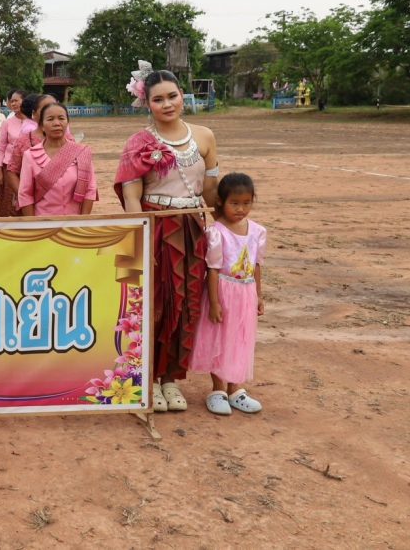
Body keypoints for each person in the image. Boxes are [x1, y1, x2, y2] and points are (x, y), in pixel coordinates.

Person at [114, 65, 219, 413]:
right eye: (158, 99)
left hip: (192, 231)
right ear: (146, 103)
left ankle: (171, 377)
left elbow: (210, 192)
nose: (167, 104)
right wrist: (141, 240)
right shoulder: (138, 143)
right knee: (156, 304)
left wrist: (228, 226)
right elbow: (131, 197)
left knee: (187, 302)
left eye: (172, 96)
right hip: (156, 228)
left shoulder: (205, 136)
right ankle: (148, 377)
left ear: (182, 96)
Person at [191, 173, 266, 416]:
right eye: (235, 203)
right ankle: (218, 390)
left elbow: (256, 266)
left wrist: (259, 295)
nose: (241, 209)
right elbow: (213, 269)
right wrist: (214, 303)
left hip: (246, 294)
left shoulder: (257, 232)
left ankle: (236, 389)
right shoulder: (216, 232)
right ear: (221, 202)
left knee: (240, 339)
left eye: (246, 203)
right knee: (220, 339)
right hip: (223, 292)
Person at [18, 102, 97, 217]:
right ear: (42, 126)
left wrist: (83, 220)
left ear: (67, 123)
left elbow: (90, 189)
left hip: (75, 222)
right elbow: (25, 194)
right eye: (50, 119)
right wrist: (33, 224)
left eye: (61, 118)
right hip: (44, 223)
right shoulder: (30, 156)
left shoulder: (82, 152)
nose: (56, 123)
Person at [5, 93, 60, 215]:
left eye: (55, 106)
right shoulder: (24, 141)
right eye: (45, 108)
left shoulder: (69, 142)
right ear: (34, 114)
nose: (51, 111)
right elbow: (12, 172)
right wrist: (25, 198)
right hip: (31, 208)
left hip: (63, 206)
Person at [0, 90, 28, 217]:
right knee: (8, 202)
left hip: (28, 169)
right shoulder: (7, 123)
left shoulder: (34, 122)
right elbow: (1, 148)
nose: (13, 104)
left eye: (16, 100)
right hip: (8, 168)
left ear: (25, 101)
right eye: (11, 101)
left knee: (25, 199)